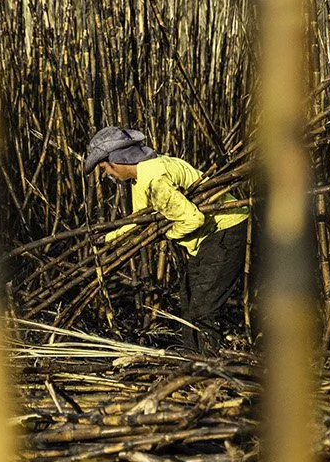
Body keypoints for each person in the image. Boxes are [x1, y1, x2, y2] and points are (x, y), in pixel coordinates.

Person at [83, 126, 248, 353]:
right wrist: (108, 239)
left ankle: (210, 364)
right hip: (211, 237)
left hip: (226, 230)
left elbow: (192, 220)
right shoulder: (142, 176)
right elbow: (138, 221)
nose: (106, 174)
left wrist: (166, 233)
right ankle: (192, 358)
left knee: (204, 306)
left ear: (117, 159)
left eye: (104, 167)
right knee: (189, 297)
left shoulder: (154, 179)